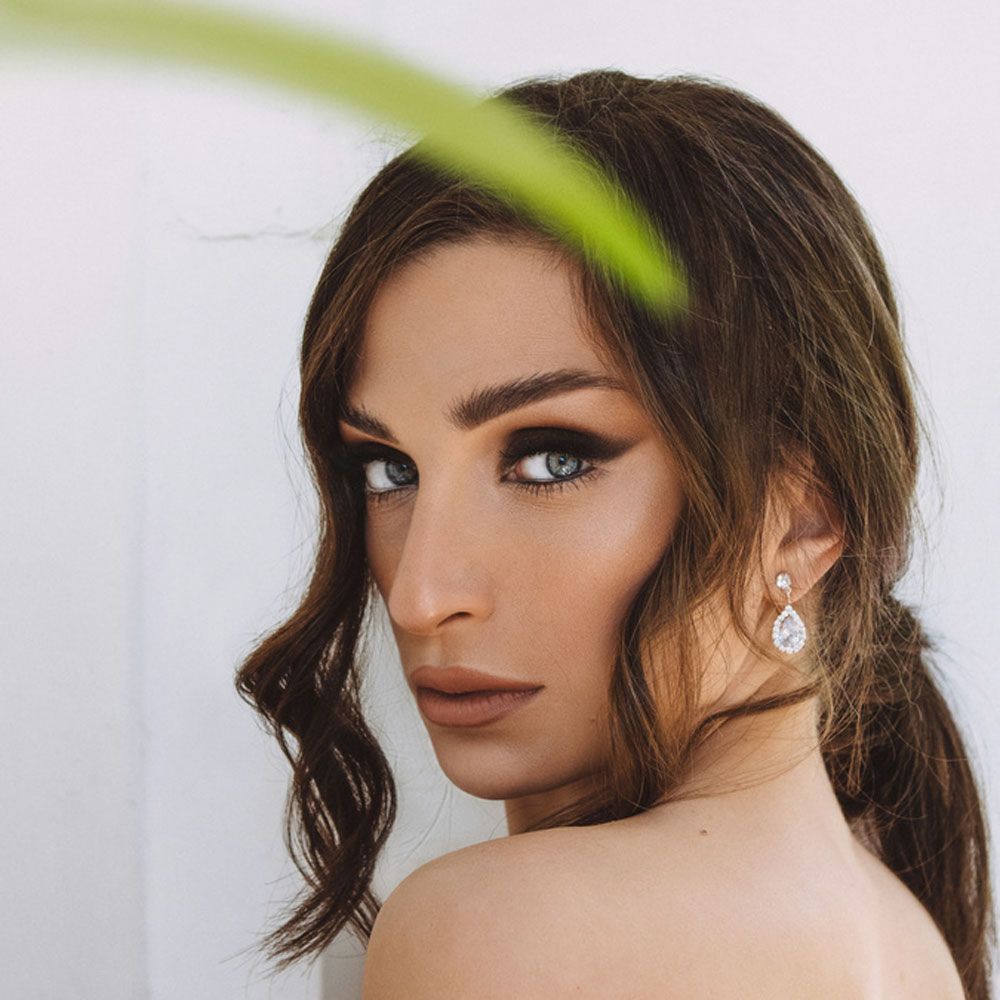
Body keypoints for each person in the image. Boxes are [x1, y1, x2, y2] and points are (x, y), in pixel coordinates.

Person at [234, 70, 994, 997]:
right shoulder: (912, 937)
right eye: (389, 469)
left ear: (804, 514)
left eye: (551, 459)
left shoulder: (501, 935)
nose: (421, 592)